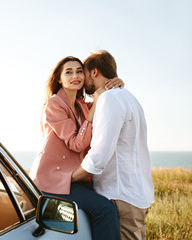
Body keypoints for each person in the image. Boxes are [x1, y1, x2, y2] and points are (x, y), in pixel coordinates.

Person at [29, 56, 122, 240]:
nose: (75, 76)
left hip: (75, 178)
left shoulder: (81, 105)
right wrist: (94, 107)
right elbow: (76, 143)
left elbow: (102, 102)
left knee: (112, 204)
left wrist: (117, 83)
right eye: (69, 72)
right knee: (105, 210)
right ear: (59, 79)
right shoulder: (54, 104)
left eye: (79, 71)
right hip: (53, 181)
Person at [71, 50, 154, 240]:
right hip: (135, 194)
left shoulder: (110, 99)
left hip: (121, 196)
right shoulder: (129, 97)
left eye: (84, 72)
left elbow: (99, 155)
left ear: (94, 72)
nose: (82, 79)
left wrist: (68, 179)